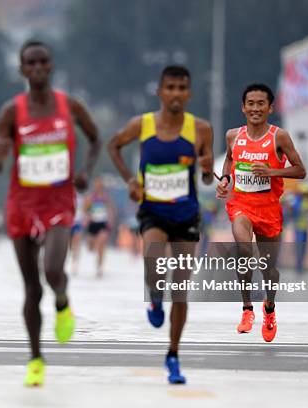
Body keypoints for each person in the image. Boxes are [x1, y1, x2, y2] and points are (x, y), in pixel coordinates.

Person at [0, 40, 101, 387]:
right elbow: (0, 144)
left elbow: (95, 139)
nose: (37, 68)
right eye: (30, 63)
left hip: (58, 202)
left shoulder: (70, 107)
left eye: (43, 62)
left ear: (51, 67)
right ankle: (36, 359)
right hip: (22, 204)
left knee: (52, 270)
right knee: (31, 289)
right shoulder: (12, 111)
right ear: (22, 69)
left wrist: (85, 172)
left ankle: (63, 301)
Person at [108, 65, 214, 384]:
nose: (176, 94)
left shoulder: (201, 129)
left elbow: (207, 175)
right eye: (170, 87)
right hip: (152, 210)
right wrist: (129, 179)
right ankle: (155, 295)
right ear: (160, 92)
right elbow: (113, 145)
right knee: (154, 260)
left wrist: (208, 170)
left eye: (182, 88)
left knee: (180, 290)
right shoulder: (142, 125)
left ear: (189, 93)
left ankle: (173, 355)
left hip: (187, 215)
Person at [216, 83, 306, 343]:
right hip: (241, 204)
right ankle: (247, 309)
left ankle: (269, 308)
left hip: (269, 209)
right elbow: (230, 159)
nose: (255, 108)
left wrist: (272, 172)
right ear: (243, 107)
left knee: (269, 269)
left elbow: (301, 170)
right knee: (243, 250)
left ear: (270, 108)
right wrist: (224, 179)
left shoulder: (279, 137)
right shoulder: (233, 135)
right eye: (251, 104)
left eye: (261, 104)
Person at [83, 176, 115, 278]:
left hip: (103, 224)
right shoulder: (90, 197)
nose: (98, 186)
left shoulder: (106, 198)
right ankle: (96, 256)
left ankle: (99, 267)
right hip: (93, 224)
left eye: (100, 184)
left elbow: (111, 210)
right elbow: (85, 209)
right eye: (96, 184)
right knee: (91, 248)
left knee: (101, 244)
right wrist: (88, 216)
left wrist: (110, 221)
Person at [291, 182, 308, 274]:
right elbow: (295, 211)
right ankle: (298, 267)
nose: (305, 194)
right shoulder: (297, 200)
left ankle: (301, 265)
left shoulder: (307, 200)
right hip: (299, 228)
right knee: (299, 248)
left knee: (304, 248)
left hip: (305, 228)